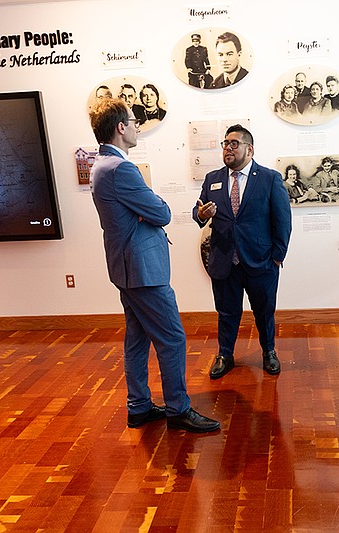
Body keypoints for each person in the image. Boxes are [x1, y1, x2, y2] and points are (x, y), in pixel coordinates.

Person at [88, 97, 219, 433]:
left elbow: (144, 211)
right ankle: (178, 409)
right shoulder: (121, 169)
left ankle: (139, 407)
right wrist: (154, 201)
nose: (136, 127)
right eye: (133, 121)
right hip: (143, 270)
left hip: (127, 268)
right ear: (120, 128)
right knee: (172, 338)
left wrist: (147, 205)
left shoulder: (101, 165)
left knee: (136, 339)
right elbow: (161, 212)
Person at [192, 124, 292, 379]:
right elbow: (199, 211)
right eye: (225, 143)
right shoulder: (212, 179)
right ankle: (225, 355)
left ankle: (269, 352)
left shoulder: (269, 178)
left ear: (250, 149)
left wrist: (277, 256)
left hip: (261, 261)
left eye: (234, 143)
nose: (228, 148)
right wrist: (201, 215)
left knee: (264, 311)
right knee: (226, 312)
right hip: (225, 260)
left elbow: (283, 221)